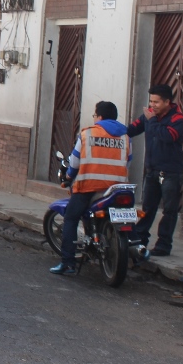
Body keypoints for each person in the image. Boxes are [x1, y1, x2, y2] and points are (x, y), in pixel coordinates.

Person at [50, 101, 133, 275]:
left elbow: (74, 162)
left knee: (71, 218)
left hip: (90, 186)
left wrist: (69, 176)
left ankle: (68, 263)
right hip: (117, 189)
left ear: (100, 117)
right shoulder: (125, 137)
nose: (94, 118)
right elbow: (128, 160)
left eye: (95, 115)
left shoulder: (87, 134)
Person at [128, 84, 183, 258]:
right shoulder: (148, 116)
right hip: (152, 171)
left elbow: (167, 136)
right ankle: (140, 241)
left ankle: (163, 245)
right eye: (151, 101)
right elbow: (132, 129)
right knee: (147, 208)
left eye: (156, 102)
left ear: (167, 102)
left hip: (170, 173)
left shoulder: (178, 119)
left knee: (169, 210)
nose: (152, 105)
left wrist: (152, 120)